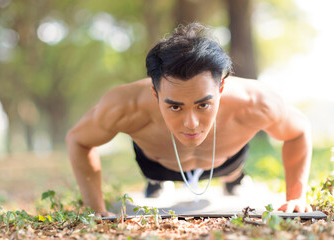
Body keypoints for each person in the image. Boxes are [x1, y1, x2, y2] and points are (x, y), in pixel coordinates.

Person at [66, 23, 312, 217]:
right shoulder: (124, 106)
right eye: (174, 106)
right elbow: (78, 139)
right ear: (155, 94)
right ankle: (156, 183)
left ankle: (233, 178)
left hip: (226, 160)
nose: (191, 123)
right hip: (158, 165)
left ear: (221, 88)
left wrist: (295, 197)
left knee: (232, 174)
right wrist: (95, 207)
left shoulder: (256, 102)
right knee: (156, 181)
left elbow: (298, 132)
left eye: (203, 104)